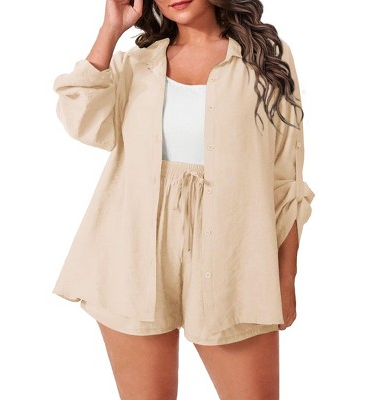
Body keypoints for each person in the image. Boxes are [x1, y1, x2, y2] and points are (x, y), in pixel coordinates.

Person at [52, 0, 315, 398]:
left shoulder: (264, 59)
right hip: (133, 257)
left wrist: (285, 277)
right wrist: (110, 30)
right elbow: (82, 121)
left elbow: (285, 177)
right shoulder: (137, 63)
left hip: (234, 258)